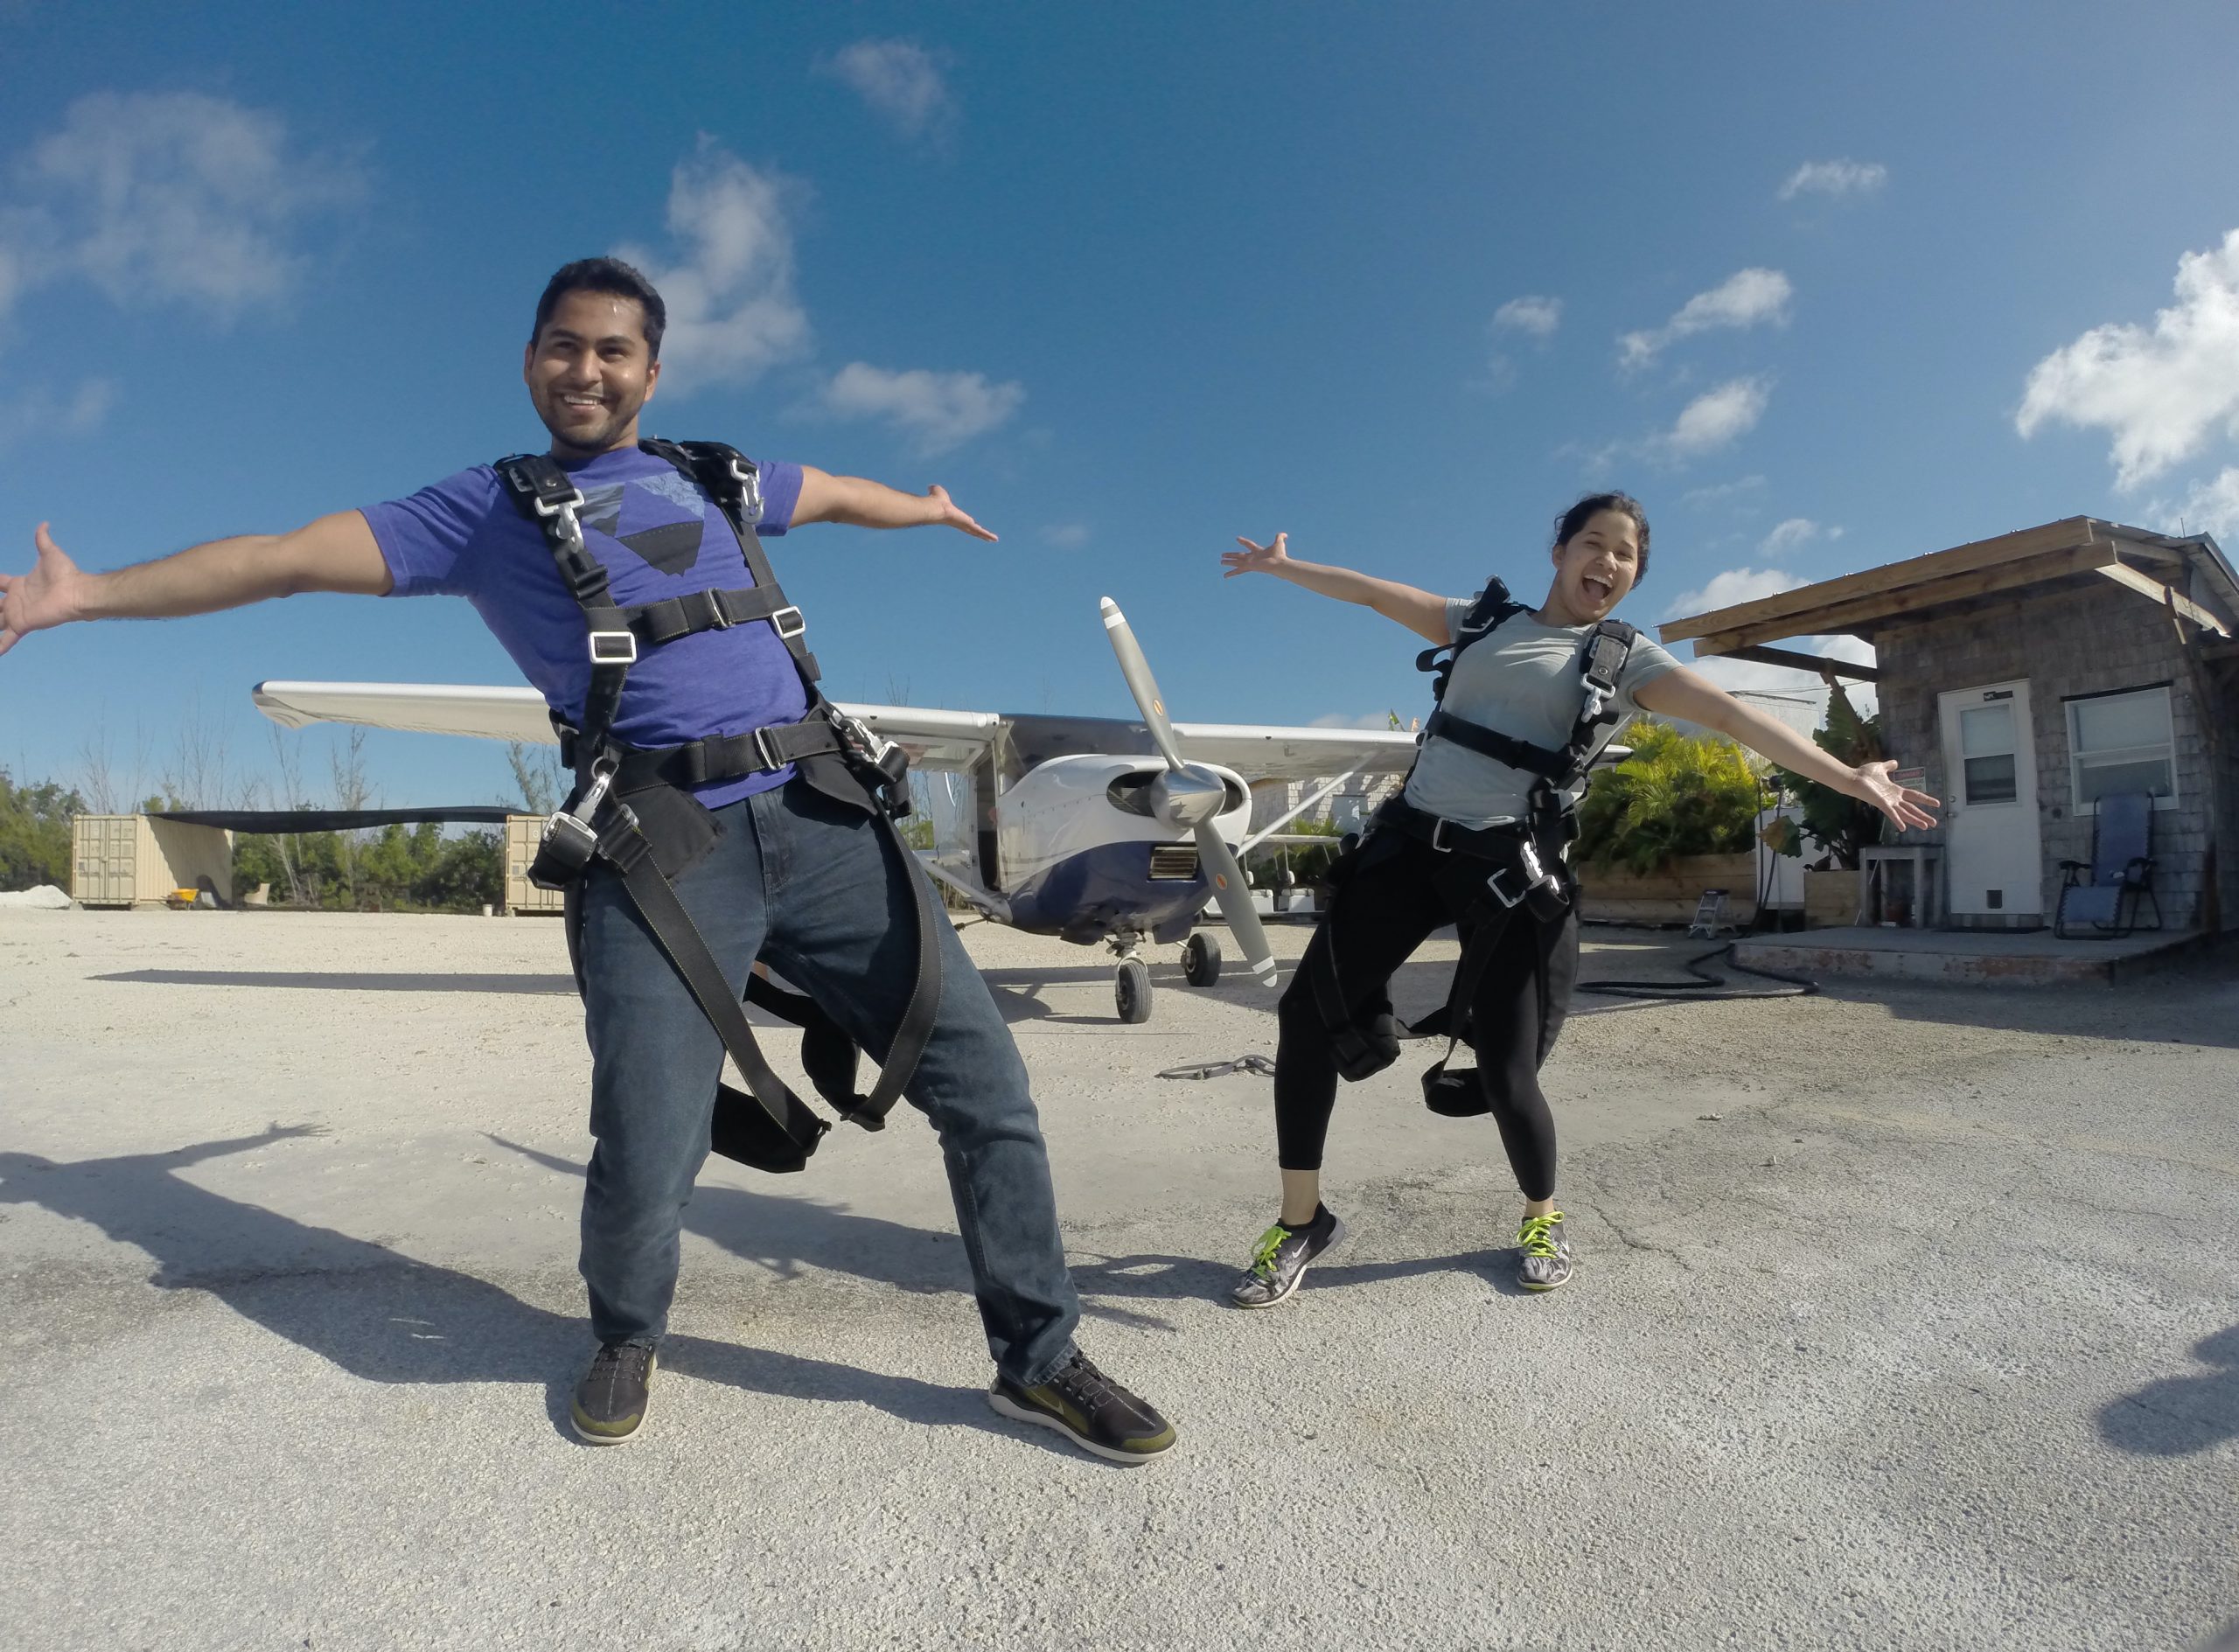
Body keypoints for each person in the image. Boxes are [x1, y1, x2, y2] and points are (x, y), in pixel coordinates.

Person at [0, 257, 1175, 1465]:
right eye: (564, 346)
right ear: (530, 361)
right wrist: (85, 594)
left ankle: (1039, 1360)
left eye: (614, 351)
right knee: (647, 1131)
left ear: (650, 372)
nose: (587, 369)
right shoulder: (485, 509)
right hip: (664, 843)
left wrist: (922, 509)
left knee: (985, 1086)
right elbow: (282, 556)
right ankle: (625, 1331)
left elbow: (831, 495)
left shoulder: (716, 474)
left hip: (825, 815)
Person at [1217, 494, 1936, 1305]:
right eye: (1593, 543)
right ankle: (1301, 1218)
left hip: (1504, 870)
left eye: (1625, 555)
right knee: (1304, 1016)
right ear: (1559, 550)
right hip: (1408, 846)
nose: (1608, 562)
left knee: (1508, 1066)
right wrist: (1285, 568)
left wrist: (1849, 777)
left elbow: (1734, 716)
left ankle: (1542, 1214)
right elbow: (1378, 594)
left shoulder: (1625, 660)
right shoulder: (1484, 622)